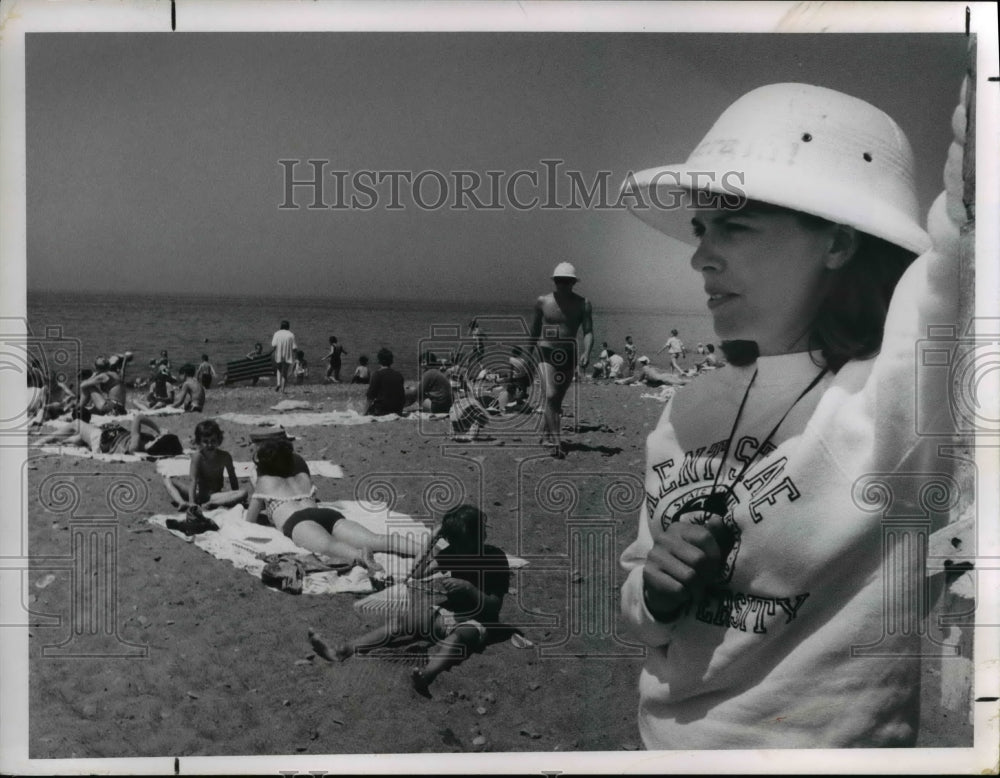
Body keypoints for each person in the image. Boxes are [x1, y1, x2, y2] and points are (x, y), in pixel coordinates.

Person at [618, 81, 964, 749]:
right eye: (700, 227)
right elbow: (639, 597)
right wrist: (656, 590)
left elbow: (963, 248)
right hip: (659, 746)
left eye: (735, 226)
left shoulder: (891, 404)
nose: (700, 255)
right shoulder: (687, 409)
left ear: (836, 244)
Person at [311, 504, 510, 698]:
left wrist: (469, 589)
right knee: (402, 623)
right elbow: (417, 571)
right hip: (448, 612)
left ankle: (428, 674)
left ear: (480, 537)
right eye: (455, 545)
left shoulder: (495, 559)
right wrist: (432, 538)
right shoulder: (454, 553)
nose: (462, 552)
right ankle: (345, 649)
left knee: (457, 639)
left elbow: (494, 607)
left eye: (465, 546)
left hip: (478, 619)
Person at [245, 435, 422, 572]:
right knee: (377, 539)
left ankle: (358, 555)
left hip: (297, 522)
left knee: (330, 546)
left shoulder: (265, 483)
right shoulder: (303, 477)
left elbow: (249, 520)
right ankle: (422, 549)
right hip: (326, 515)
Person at [529, 262, 594, 458]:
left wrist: (587, 352)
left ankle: (544, 433)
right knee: (550, 395)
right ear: (554, 282)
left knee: (556, 400)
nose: (562, 285)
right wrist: (525, 355)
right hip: (545, 353)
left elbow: (588, 331)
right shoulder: (542, 302)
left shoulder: (583, 304)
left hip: (569, 354)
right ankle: (557, 443)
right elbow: (533, 331)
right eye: (559, 281)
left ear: (573, 282)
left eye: (566, 281)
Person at [163, 419, 247, 509]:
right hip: (199, 493)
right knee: (167, 479)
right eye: (206, 442)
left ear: (218, 440)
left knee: (243, 492)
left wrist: (235, 496)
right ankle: (181, 502)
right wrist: (192, 503)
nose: (210, 445)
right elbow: (193, 480)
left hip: (214, 496)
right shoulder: (198, 457)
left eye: (213, 441)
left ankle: (213, 504)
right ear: (199, 442)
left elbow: (232, 478)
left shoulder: (225, 456)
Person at [35, 409, 166, 455]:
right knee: (78, 438)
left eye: (157, 440)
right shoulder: (146, 443)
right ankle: (61, 441)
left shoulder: (135, 445)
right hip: (105, 438)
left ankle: (43, 440)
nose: (155, 438)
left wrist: (159, 430)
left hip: (100, 439)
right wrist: (157, 436)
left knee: (77, 423)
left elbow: (139, 417)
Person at [365, 348, 406, 416]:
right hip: (398, 410)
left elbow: (370, 397)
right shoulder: (399, 375)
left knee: (370, 408)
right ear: (391, 361)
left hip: (382, 410)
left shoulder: (377, 374)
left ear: (379, 361)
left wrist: (363, 414)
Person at [615, 356, 688, 388]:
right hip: (661, 376)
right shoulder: (650, 367)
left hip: (659, 379)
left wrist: (641, 380)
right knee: (678, 380)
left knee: (679, 382)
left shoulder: (644, 368)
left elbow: (639, 378)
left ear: (642, 362)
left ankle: (691, 382)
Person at [271, 320, 297, 394]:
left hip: (278, 355)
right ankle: (282, 389)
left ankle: (278, 383)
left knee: (279, 369)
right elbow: (294, 347)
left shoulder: (276, 333)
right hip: (287, 355)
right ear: (288, 326)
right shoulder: (291, 335)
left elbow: (273, 345)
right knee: (284, 372)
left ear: (281, 326)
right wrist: (296, 355)